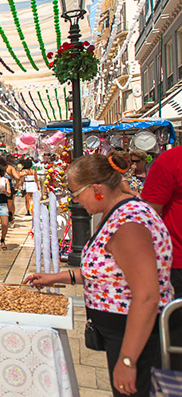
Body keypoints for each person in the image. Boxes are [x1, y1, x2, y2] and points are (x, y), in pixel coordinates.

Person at [25, 152, 173, 396]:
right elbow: (111, 273)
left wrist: (128, 360)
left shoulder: (129, 223)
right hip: (122, 334)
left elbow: (147, 296)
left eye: (76, 193)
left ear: (96, 189)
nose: (76, 201)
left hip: (137, 339)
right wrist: (57, 277)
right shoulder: (117, 213)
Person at [141, 145, 182, 370]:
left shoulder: (170, 160)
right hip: (176, 266)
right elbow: (149, 214)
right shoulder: (171, 162)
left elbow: (148, 215)